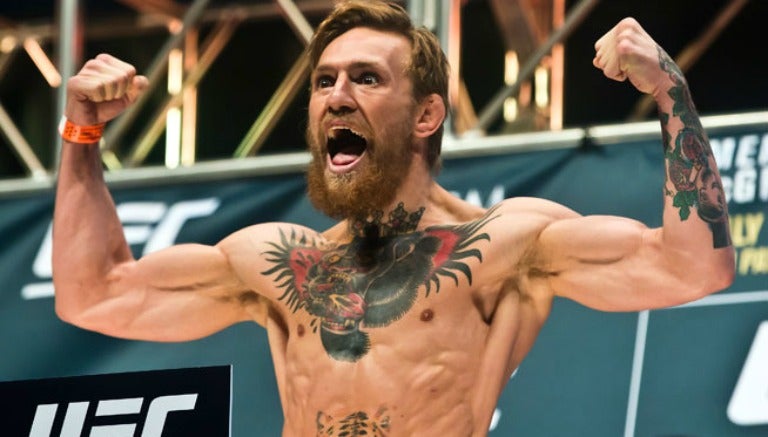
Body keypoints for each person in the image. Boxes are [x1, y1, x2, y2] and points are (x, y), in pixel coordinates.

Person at [52, 1, 735, 435]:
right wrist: (82, 131)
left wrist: (669, 89)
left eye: (366, 78)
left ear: (427, 114)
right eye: (324, 81)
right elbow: (94, 294)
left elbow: (691, 267)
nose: (336, 96)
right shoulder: (277, 261)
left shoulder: (504, 245)